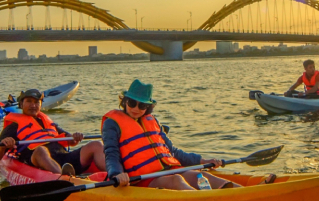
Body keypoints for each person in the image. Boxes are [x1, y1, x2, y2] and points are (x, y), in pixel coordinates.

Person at [103, 80, 260, 191]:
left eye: (142, 105)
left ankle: (249, 194)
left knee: (201, 175)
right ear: (125, 102)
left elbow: (173, 152)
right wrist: (116, 174)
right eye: (132, 103)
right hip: (144, 179)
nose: (136, 108)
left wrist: (202, 160)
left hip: (169, 169)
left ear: (148, 107)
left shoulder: (152, 121)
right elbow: (111, 153)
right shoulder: (112, 123)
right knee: (176, 179)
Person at [0, 89, 105, 176]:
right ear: (21, 104)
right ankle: (64, 179)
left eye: (36, 102)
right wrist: (3, 146)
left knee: (96, 145)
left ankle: (115, 173)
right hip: (39, 160)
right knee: (41, 150)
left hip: (64, 159)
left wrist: (75, 137)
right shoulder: (13, 126)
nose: (33, 105)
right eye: (29, 102)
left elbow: (70, 140)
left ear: (41, 105)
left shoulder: (47, 122)